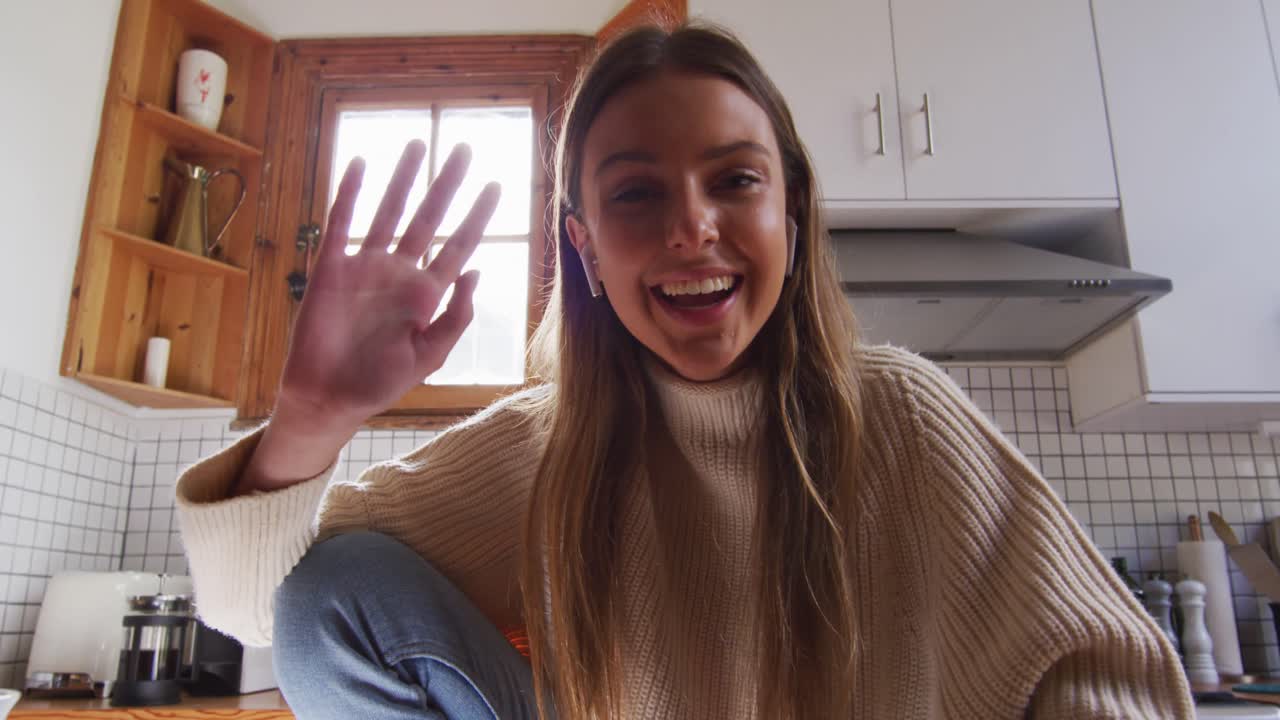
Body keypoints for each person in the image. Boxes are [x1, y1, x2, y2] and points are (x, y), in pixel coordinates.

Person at [175, 23, 1195, 720]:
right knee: (340, 587)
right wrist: (309, 417)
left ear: (787, 215)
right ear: (581, 248)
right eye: (634, 195)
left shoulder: (899, 417)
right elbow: (274, 611)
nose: (690, 227)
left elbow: (1101, 673)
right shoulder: (551, 445)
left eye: (734, 181)